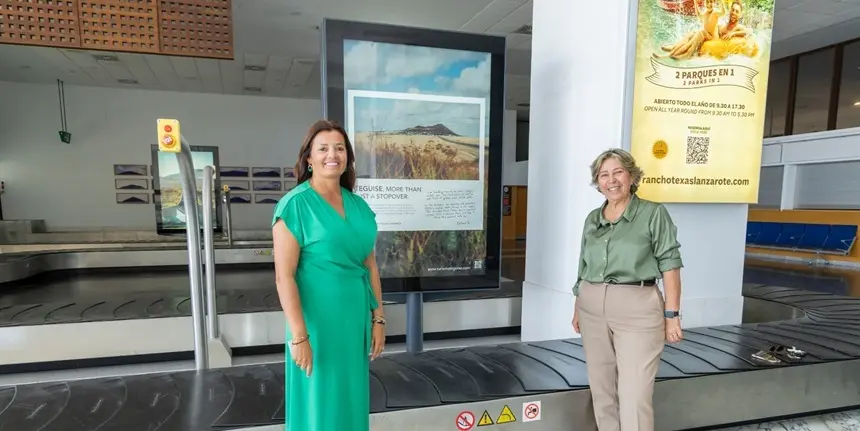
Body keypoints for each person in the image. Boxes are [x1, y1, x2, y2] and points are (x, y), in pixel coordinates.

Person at [272, 119, 386, 431]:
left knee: (350, 398)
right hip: (315, 324)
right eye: (322, 148)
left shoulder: (359, 206)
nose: (331, 154)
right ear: (308, 158)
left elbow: (370, 266)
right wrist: (299, 336)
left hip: (354, 320)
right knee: (319, 401)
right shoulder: (295, 205)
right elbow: (285, 277)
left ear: (347, 156)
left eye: (339, 148)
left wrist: (378, 318)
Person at [571, 148, 684, 431]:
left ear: (632, 176)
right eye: (604, 175)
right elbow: (583, 266)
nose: (611, 180)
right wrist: (577, 308)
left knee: (635, 394)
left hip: (638, 307)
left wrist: (672, 314)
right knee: (602, 388)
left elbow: (670, 264)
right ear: (598, 182)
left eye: (618, 172)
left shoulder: (653, 214)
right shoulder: (592, 219)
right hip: (591, 306)